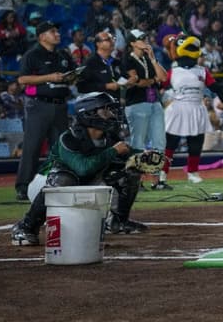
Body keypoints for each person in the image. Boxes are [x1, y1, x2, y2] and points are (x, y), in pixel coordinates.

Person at [10, 92, 152, 244]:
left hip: (83, 184)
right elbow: (83, 168)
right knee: (64, 178)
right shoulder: (69, 138)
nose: (112, 114)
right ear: (89, 113)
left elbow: (128, 154)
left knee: (130, 172)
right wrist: (113, 151)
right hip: (47, 185)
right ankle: (26, 227)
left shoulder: (110, 137)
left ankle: (118, 222)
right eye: (106, 110)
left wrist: (144, 156)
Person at [13, 20, 77, 201]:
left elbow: (71, 75)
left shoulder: (62, 54)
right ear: (42, 36)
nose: (57, 34)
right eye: (52, 31)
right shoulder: (32, 55)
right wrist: (50, 77)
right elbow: (23, 80)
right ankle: (23, 186)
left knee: (60, 147)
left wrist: (73, 77)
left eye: (57, 31)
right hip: (38, 105)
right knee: (32, 146)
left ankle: (60, 182)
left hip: (60, 104)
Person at [163, 35, 223, 184]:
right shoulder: (173, 71)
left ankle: (193, 172)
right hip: (178, 108)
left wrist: (222, 90)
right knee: (170, 144)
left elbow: (213, 85)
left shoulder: (202, 71)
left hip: (197, 108)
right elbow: (161, 85)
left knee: (195, 144)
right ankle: (162, 173)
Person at [122, 28, 170, 188]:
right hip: (136, 103)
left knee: (159, 142)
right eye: (141, 39)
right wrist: (153, 80)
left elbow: (163, 78)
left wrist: (153, 59)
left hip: (154, 102)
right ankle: (137, 181)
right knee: (138, 143)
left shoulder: (149, 58)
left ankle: (157, 182)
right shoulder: (127, 60)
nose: (145, 40)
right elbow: (137, 82)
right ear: (132, 43)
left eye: (145, 37)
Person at [75, 30, 122, 95]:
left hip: (118, 101)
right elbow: (81, 87)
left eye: (113, 38)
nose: (112, 41)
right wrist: (105, 86)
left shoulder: (115, 62)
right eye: (108, 39)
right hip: (100, 103)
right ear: (98, 44)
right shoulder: (89, 63)